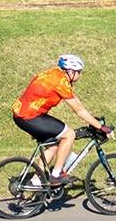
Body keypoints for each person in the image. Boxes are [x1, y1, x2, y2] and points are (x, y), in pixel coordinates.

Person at [11, 53, 108, 188]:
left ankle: (36, 181)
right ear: (70, 71)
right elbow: (79, 111)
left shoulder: (55, 74)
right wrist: (101, 127)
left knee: (54, 144)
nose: (80, 75)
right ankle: (56, 175)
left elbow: (75, 99)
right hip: (30, 116)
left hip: (23, 114)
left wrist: (91, 121)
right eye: (78, 72)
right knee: (69, 134)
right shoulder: (60, 82)